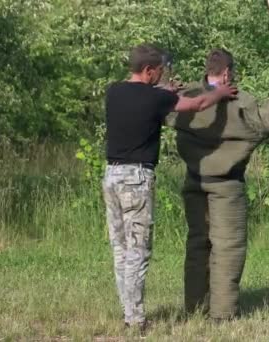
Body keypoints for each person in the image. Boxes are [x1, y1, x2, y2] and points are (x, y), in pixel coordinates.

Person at [102, 43, 237, 332]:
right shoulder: (155, 99)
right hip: (136, 179)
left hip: (111, 176)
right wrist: (220, 93)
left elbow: (145, 100)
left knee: (121, 249)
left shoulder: (114, 91)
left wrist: (165, 92)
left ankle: (129, 312)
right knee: (138, 251)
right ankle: (136, 321)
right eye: (160, 72)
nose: (163, 76)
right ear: (148, 71)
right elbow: (197, 105)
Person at [165, 48, 269, 321]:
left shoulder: (186, 99)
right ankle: (223, 313)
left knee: (197, 244)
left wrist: (166, 73)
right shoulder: (242, 105)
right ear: (228, 72)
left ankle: (195, 308)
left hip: (194, 180)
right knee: (227, 247)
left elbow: (157, 102)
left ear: (207, 70)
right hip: (227, 185)